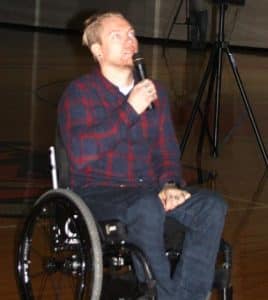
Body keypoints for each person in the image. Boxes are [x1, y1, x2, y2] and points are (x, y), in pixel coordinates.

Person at [58, 12, 227, 300]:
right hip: (100, 193)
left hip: (148, 190)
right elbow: (81, 154)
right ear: (97, 50)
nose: (130, 41)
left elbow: (166, 151)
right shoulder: (80, 93)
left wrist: (170, 184)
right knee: (146, 208)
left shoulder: (154, 92)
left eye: (132, 33)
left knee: (211, 206)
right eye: (117, 36)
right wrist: (129, 110)